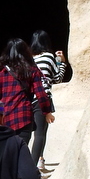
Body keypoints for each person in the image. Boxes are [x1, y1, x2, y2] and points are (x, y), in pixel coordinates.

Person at [0, 38, 54, 147]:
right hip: (24, 117)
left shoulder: (0, 71)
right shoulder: (32, 70)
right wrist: (47, 112)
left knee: (6, 152)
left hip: (5, 118)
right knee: (20, 151)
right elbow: (41, 94)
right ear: (25, 52)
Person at [29, 30, 68, 171]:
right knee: (40, 133)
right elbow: (57, 78)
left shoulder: (29, 59)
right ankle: (35, 164)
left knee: (28, 133)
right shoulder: (48, 56)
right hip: (43, 98)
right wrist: (62, 62)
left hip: (28, 98)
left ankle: (33, 161)